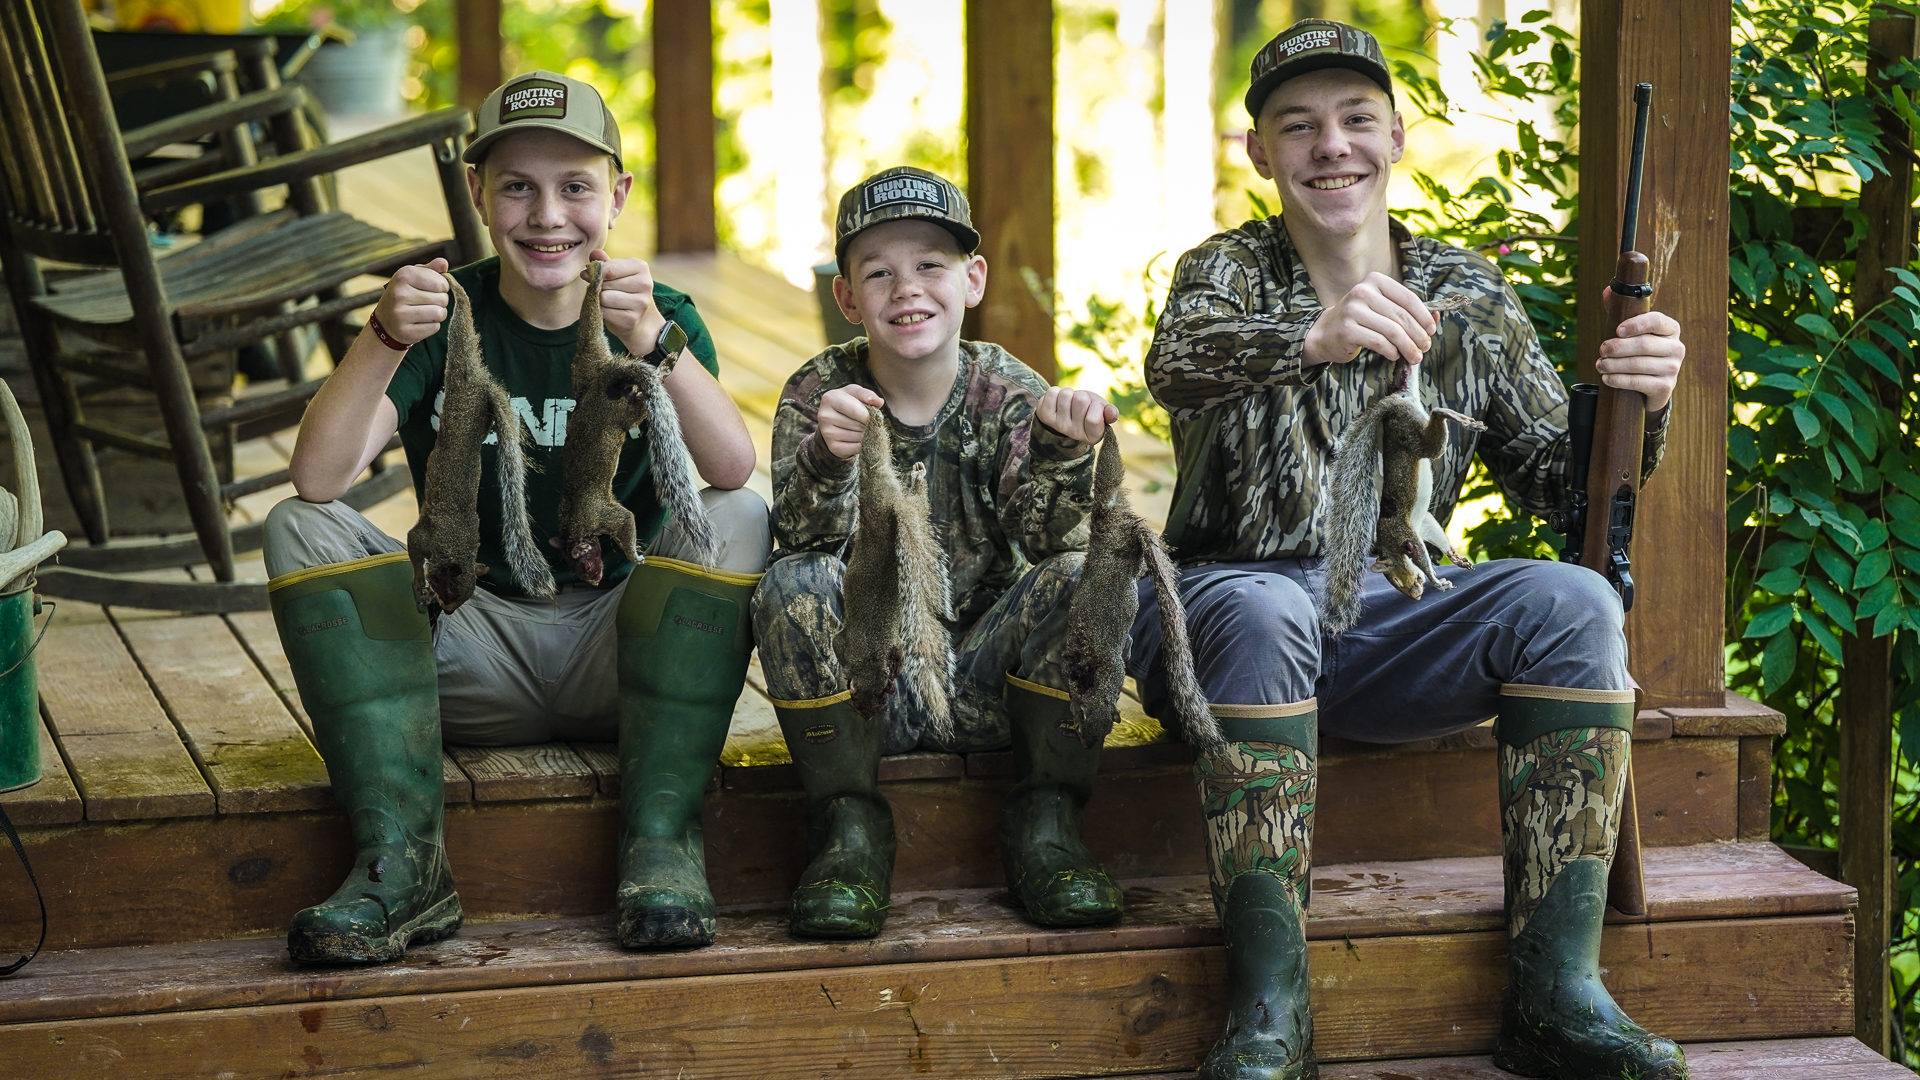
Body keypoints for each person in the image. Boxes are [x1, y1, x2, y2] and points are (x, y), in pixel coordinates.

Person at [1130, 21, 1689, 1080]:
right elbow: (1177, 365)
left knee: (1573, 602)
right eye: (1297, 126)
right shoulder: (1226, 273)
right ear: (1260, 154)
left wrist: (1639, 407)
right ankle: (1268, 1009)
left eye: (1354, 121)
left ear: (1395, 140)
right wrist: (1315, 335)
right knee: (1263, 610)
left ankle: (1557, 992)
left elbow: (1558, 484)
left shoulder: (1466, 292)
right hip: (1221, 618)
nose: (1329, 145)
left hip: (1392, 622)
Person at [265, 70, 771, 963]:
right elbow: (319, 478)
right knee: (295, 527)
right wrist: (381, 338)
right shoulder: (443, 313)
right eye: (517, 187)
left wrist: (658, 340)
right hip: (470, 649)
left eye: (575, 187)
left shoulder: (658, 317)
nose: (547, 216)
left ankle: (660, 844)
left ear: (615, 196)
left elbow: (730, 469)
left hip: (626, 652)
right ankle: (403, 866)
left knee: (741, 514)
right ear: (477, 195)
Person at [752, 167, 1125, 938]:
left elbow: (1051, 542)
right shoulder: (819, 389)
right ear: (847, 298)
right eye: (878, 272)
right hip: (870, 690)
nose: (906, 288)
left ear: (973, 279)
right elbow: (801, 540)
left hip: (986, 685)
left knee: (1087, 572)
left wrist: (1061, 451)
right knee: (791, 582)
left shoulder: (1008, 388)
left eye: (930, 265)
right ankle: (848, 832)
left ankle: (1047, 825)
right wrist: (828, 458)